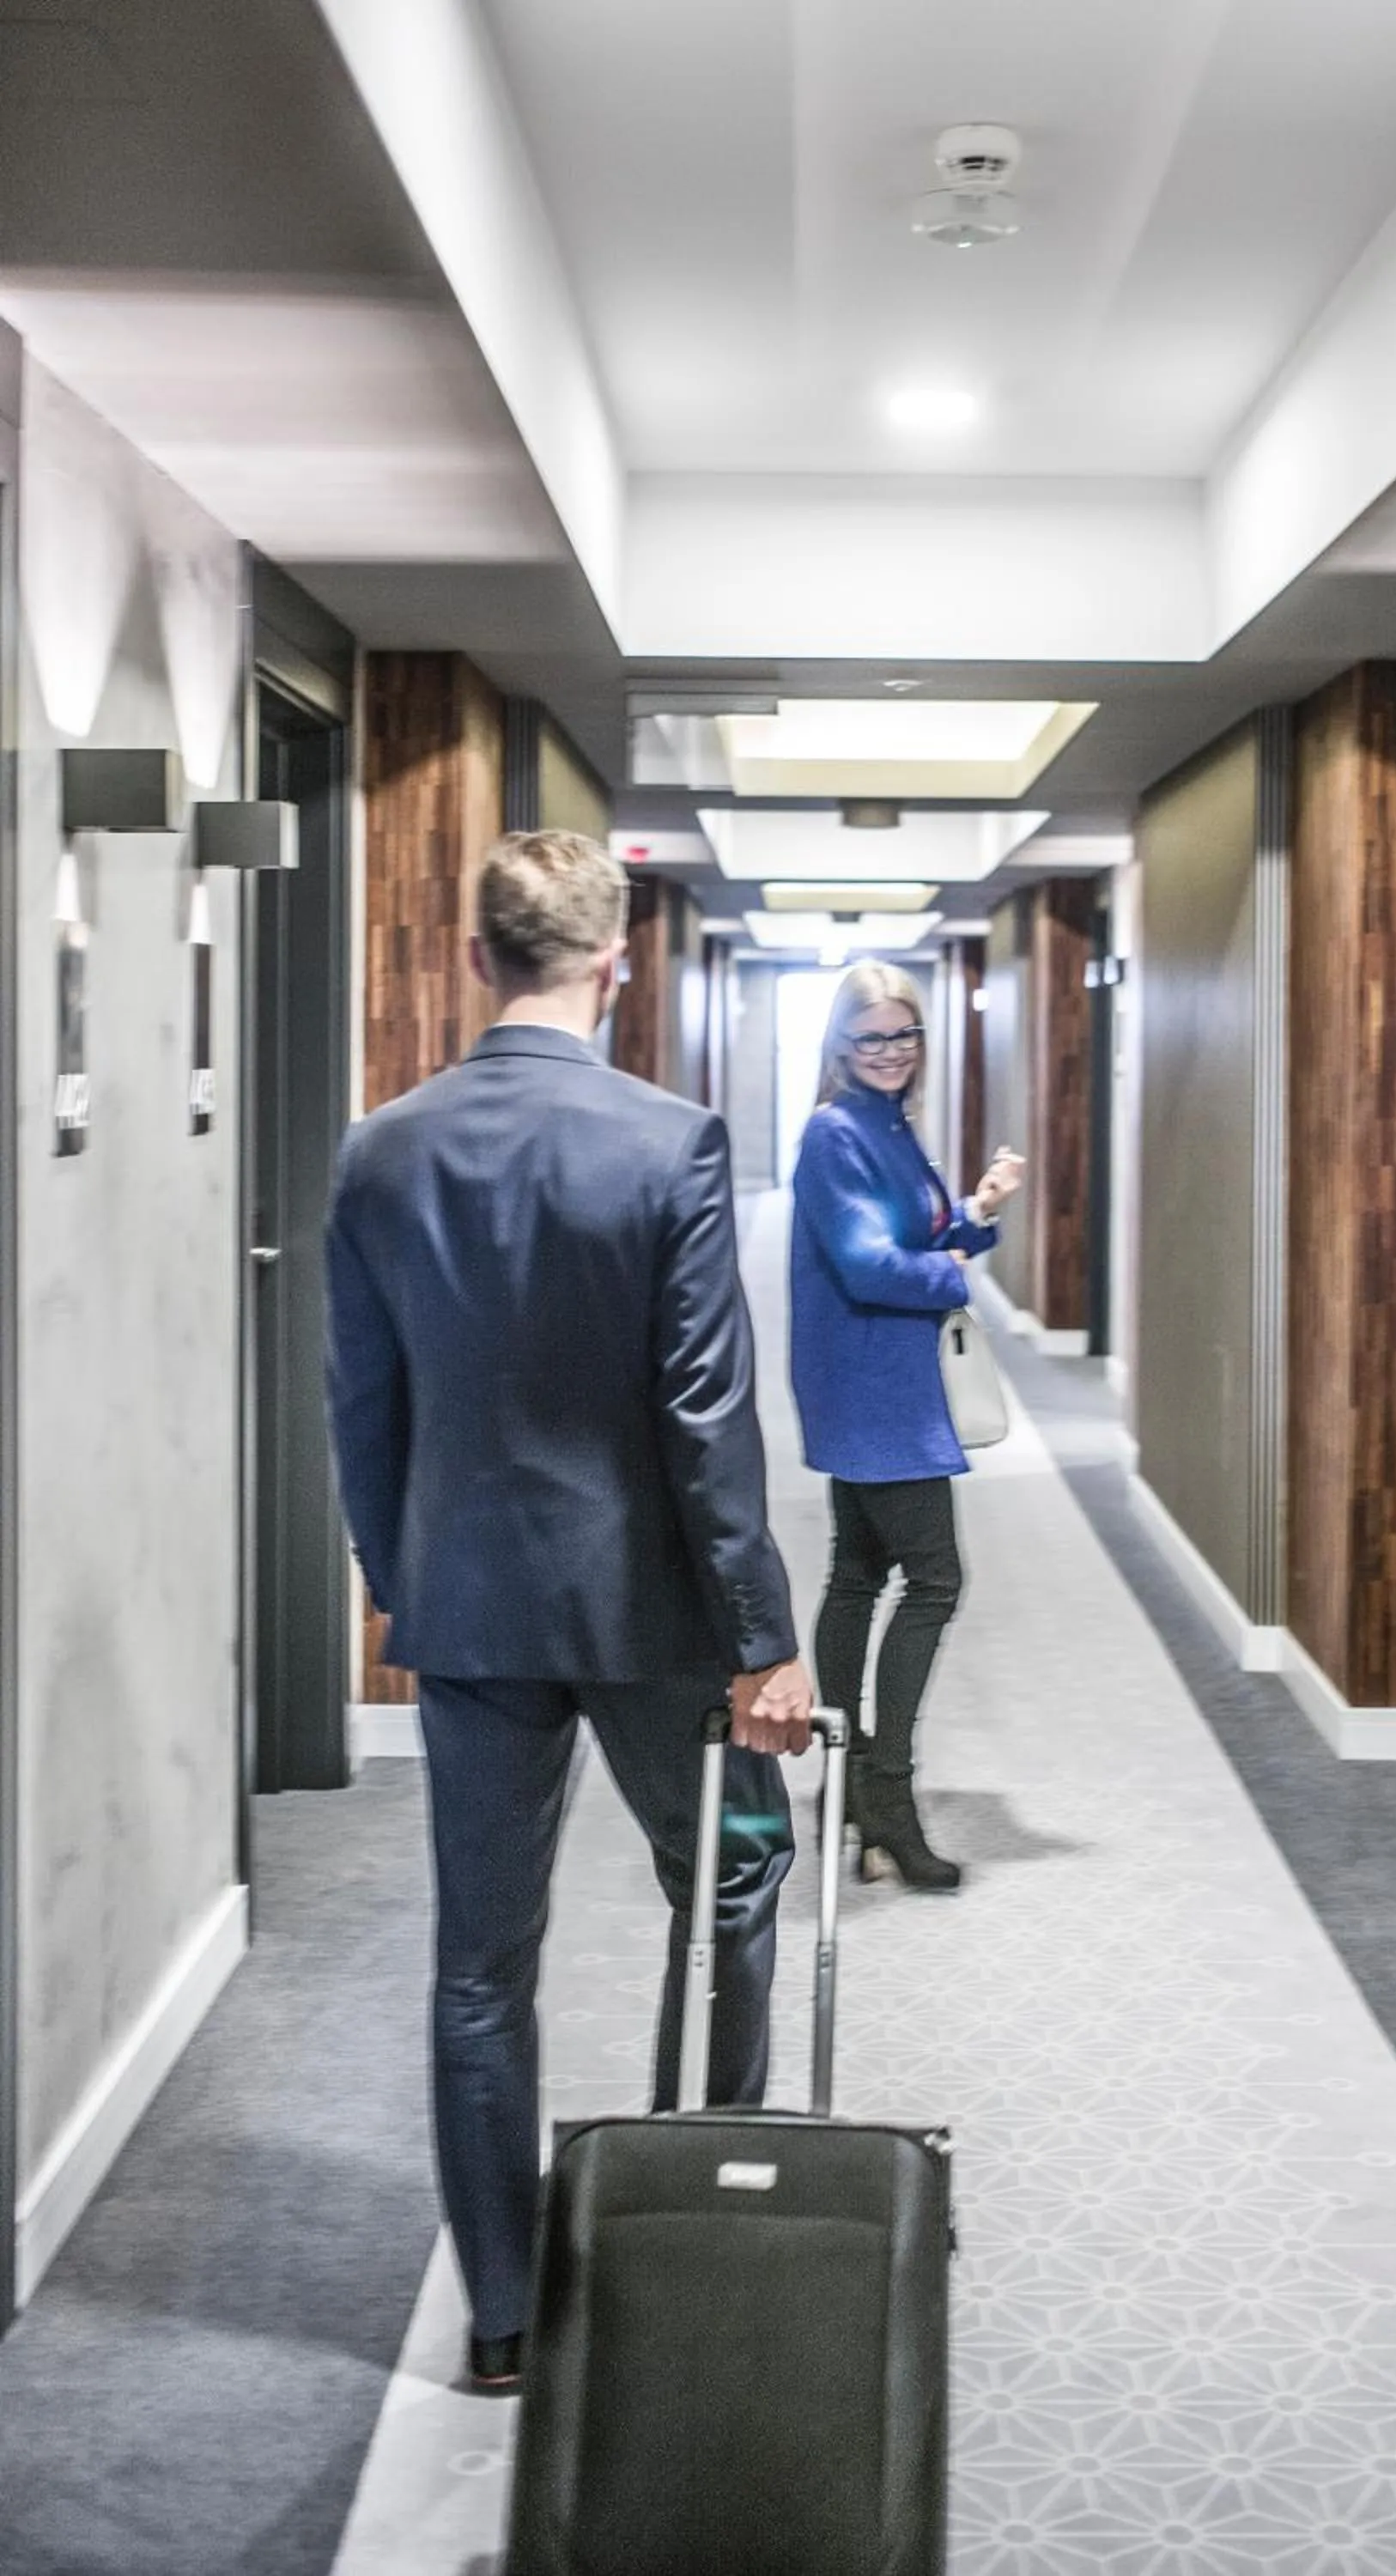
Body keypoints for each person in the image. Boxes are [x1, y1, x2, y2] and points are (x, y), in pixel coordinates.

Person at [325, 829, 813, 2395]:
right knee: (734, 1879)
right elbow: (702, 1418)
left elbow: (361, 1406)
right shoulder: (665, 1142)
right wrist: (764, 1634)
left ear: (477, 959)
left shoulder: (377, 1150)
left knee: (481, 1966)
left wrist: (412, 1590)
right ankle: (701, 2207)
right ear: (618, 961)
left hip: (467, 1609)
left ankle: (502, 2318)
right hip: (654, 1612)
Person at [789, 961, 1025, 1894]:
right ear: (840, 1047)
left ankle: (847, 1781)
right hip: (872, 1385)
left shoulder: (891, 1127)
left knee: (857, 1576)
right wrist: (954, 1278)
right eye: (872, 1037)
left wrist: (975, 1215)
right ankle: (887, 1792)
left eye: (904, 1035)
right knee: (934, 1580)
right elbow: (866, 1263)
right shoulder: (834, 1133)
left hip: (885, 1379)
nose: (890, 1052)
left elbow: (915, 1236)